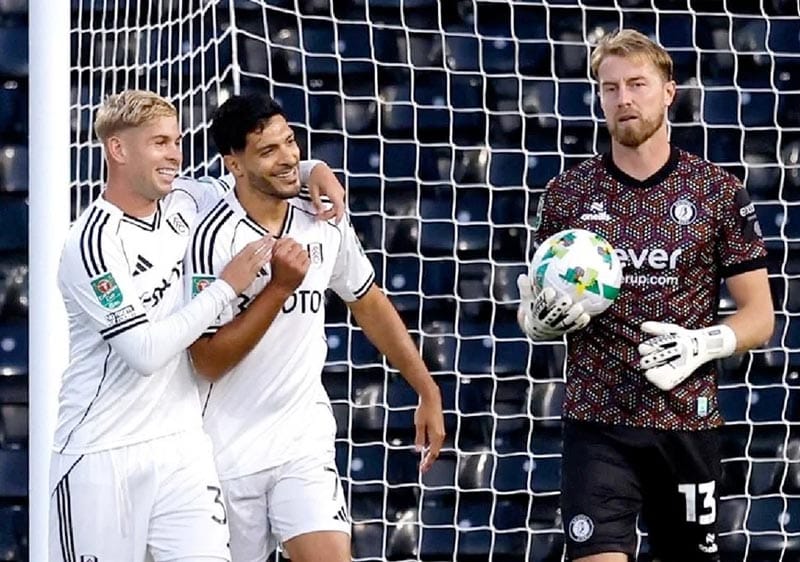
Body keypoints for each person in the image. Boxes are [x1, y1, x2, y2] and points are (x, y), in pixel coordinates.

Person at [50, 89, 347, 562]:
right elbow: (145, 353)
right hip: (102, 453)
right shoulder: (90, 244)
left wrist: (314, 170)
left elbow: (257, 174)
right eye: (160, 143)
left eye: (177, 141)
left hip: (183, 449)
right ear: (119, 150)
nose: (174, 155)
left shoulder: (191, 200)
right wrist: (225, 288)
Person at [516, 30, 774, 561]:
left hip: (686, 420)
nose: (623, 98)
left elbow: (761, 315)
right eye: (609, 88)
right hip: (597, 421)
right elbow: (534, 299)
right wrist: (533, 323)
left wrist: (704, 344)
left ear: (669, 92)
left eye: (637, 84)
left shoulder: (717, 191)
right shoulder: (567, 194)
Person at [184, 93, 446, 562]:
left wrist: (425, 387)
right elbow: (206, 362)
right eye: (268, 151)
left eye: (291, 142)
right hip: (220, 452)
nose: (288, 158)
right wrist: (279, 288)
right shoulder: (211, 236)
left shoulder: (322, 218)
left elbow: (366, 300)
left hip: (301, 441)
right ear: (234, 165)